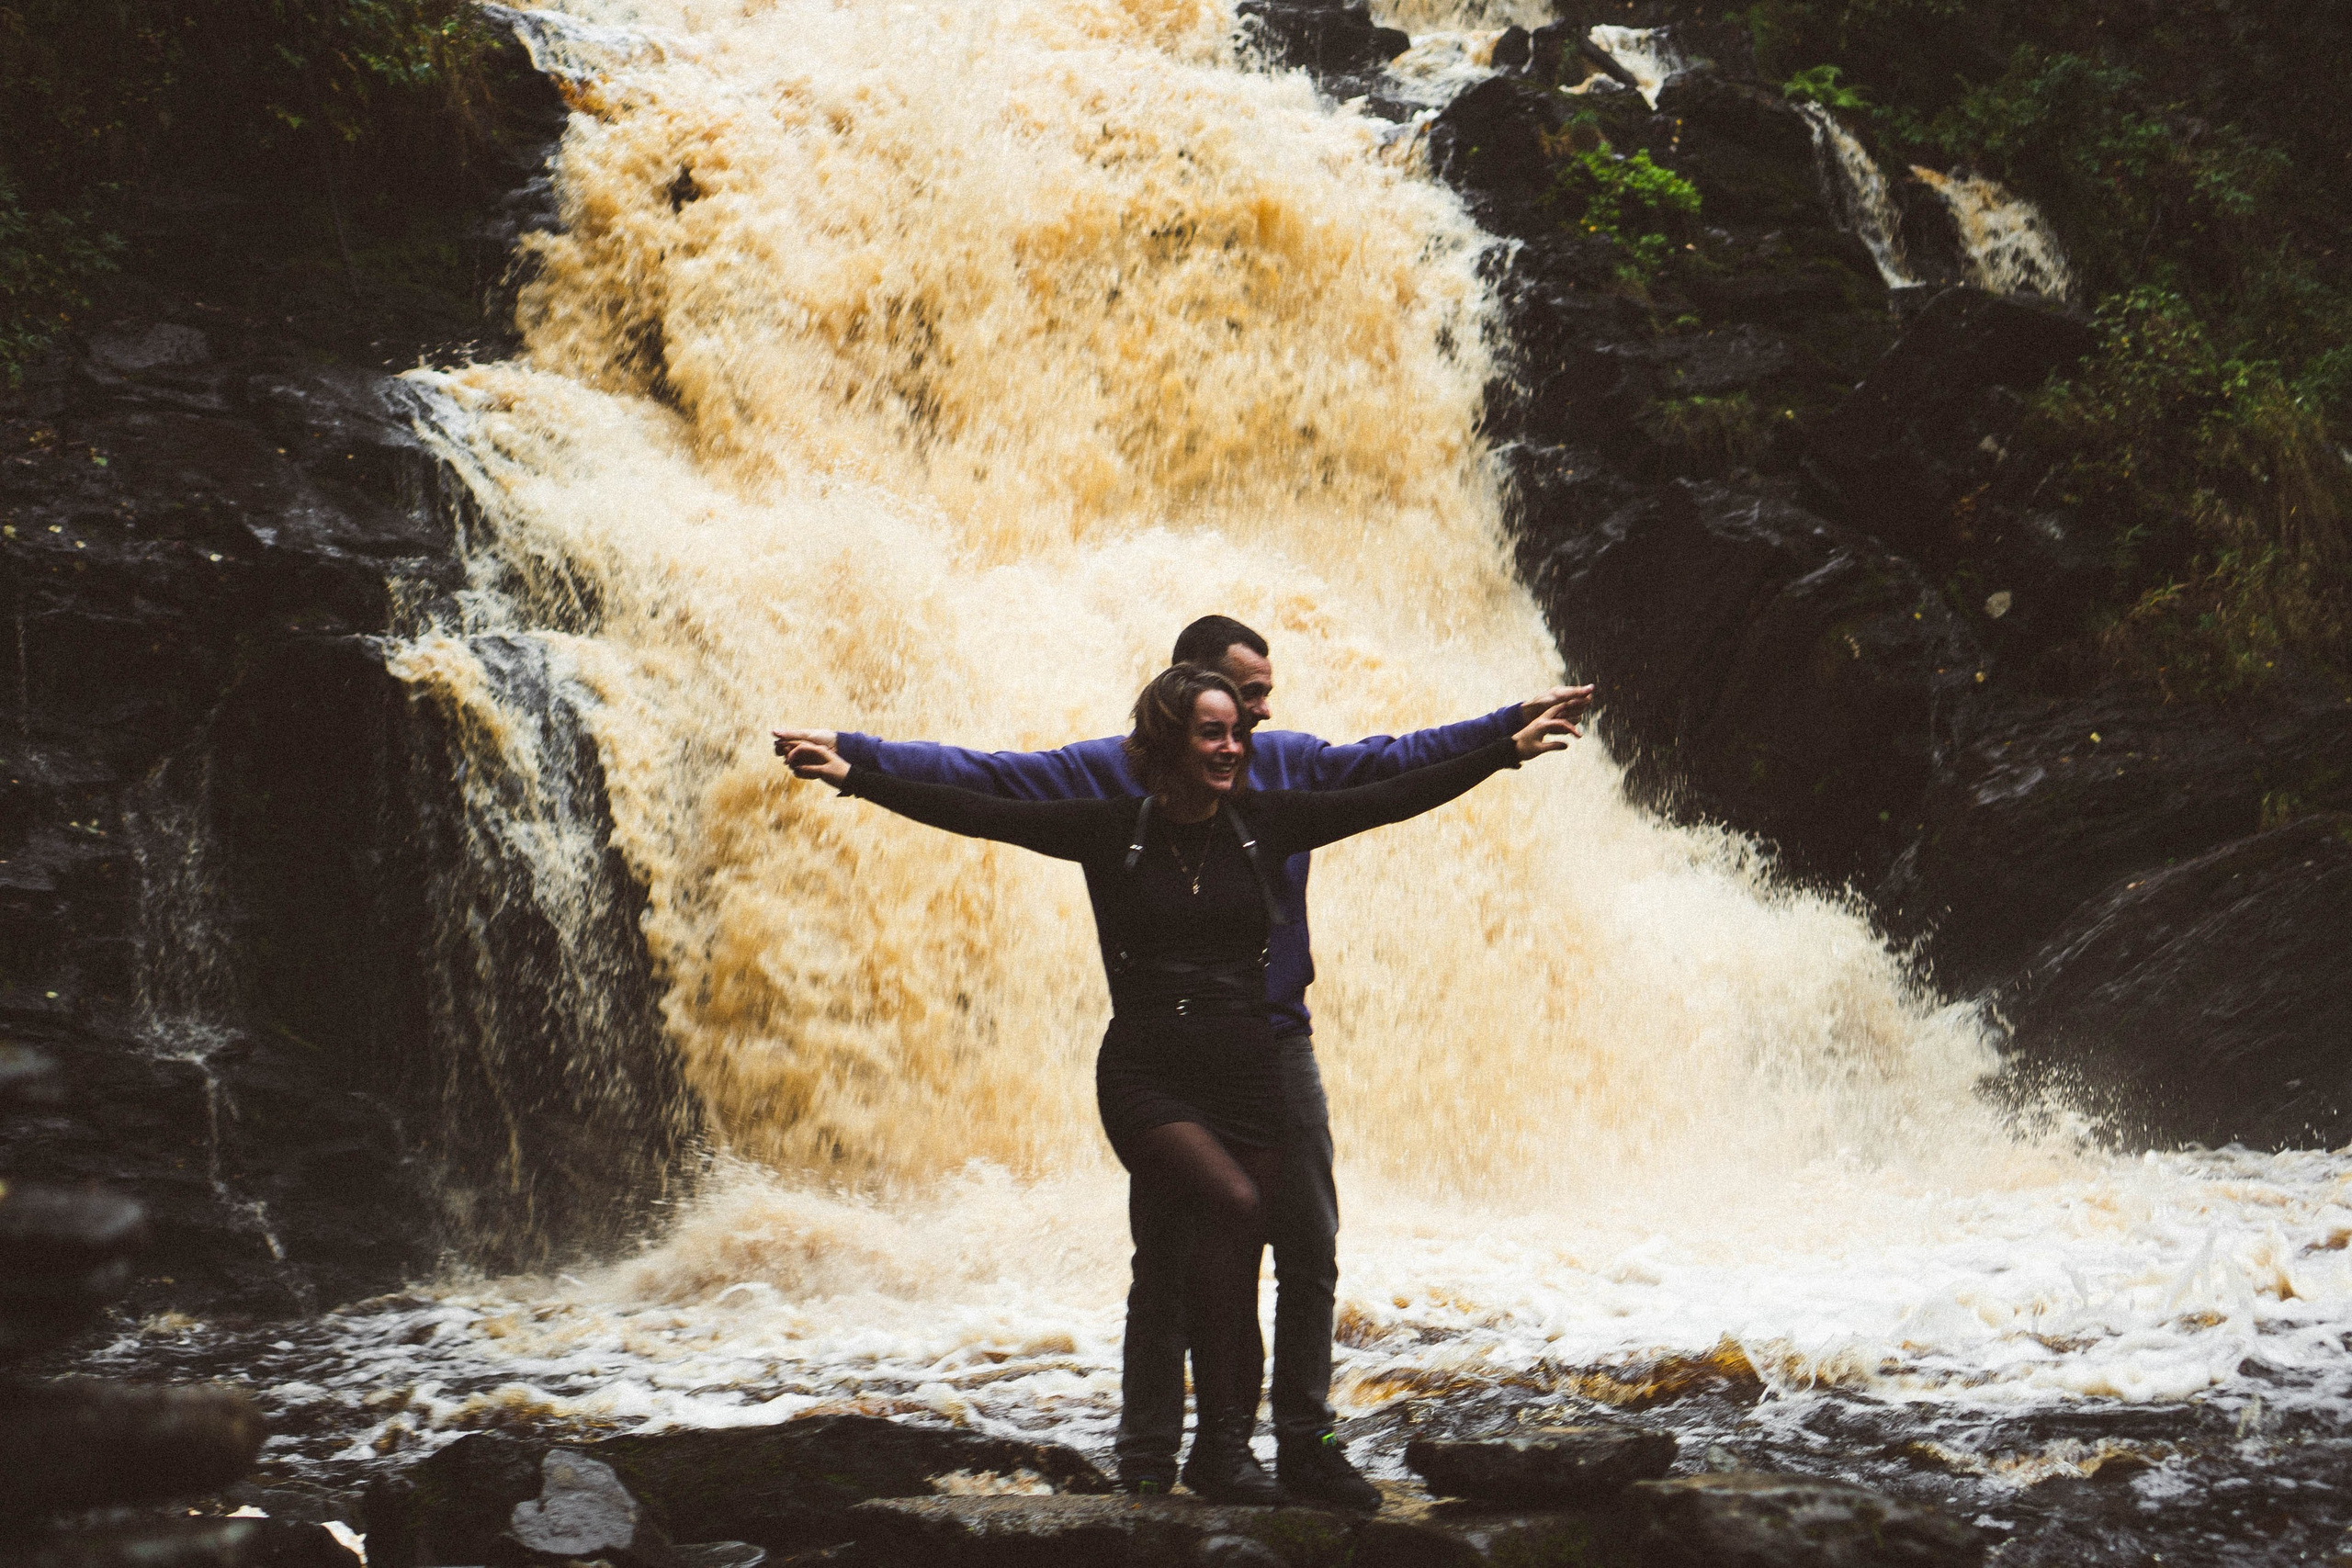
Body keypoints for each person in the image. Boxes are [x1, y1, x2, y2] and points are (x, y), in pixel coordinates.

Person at [775, 616, 1592, 1507]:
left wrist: (1505, 736)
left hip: (1265, 1051)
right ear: (1178, 710)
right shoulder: (1107, 793)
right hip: (1159, 1060)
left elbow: (1396, 774)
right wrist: (855, 763)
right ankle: (1152, 1457)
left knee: (1296, 1248)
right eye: (1237, 704)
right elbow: (983, 790)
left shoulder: (1279, 782)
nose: (1253, 724)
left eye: (1252, 712)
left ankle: (1290, 1445)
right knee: (1171, 1254)